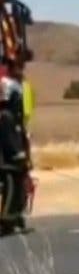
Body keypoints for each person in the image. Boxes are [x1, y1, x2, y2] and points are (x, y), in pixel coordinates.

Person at [0, 77, 30, 235]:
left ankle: (15, 219)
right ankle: (6, 222)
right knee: (11, 191)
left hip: (11, 163)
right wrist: (21, 157)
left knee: (18, 190)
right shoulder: (6, 117)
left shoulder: (10, 116)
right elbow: (10, 143)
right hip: (8, 164)